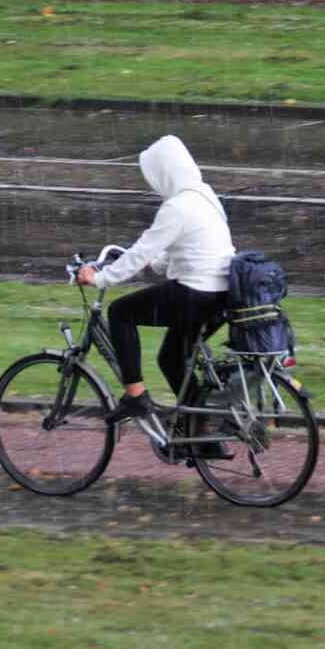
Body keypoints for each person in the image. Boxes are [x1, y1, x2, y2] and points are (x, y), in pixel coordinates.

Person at [76, 135, 235, 457]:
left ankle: (136, 395)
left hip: (195, 294)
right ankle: (201, 436)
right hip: (221, 296)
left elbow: (138, 253)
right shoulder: (205, 196)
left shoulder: (176, 207)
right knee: (172, 358)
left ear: (163, 173)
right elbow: (186, 251)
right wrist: (157, 263)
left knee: (121, 312)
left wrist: (100, 277)